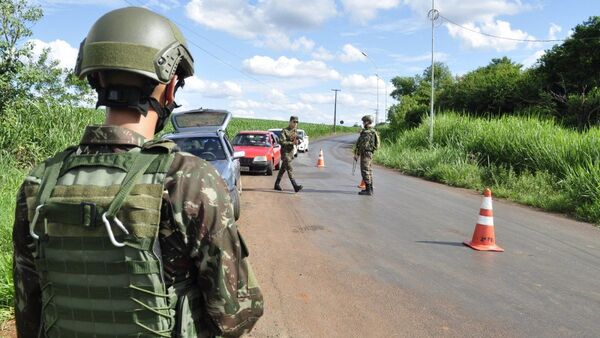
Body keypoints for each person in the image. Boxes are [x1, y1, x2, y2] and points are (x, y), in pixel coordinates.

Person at [12, 7, 263, 338]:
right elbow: (235, 314)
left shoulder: (40, 182)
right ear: (171, 88)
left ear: (95, 79)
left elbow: (28, 310)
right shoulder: (187, 181)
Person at [274, 116, 303, 192]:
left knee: (283, 169)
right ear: (290, 122)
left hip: (290, 153)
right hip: (285, 153)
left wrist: (298, 142)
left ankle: (276, 184)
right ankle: (295, 186)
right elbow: (281, 142)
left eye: (297, 122)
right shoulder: (284, 131)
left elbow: (296, 140)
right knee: (289, 168)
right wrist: (291, 142)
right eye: (294, 122)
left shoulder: (295, 131)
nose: (295, 124)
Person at [354, 115, 380, 196]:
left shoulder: (367, 133)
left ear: (368, 122)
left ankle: (368, 190)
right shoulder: (370, 131)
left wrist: (357, 154)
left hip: (366, 153)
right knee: (368, 170)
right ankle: (369, 189)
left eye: (364, 121)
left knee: (365, 170)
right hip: (368, 153)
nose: (363, 123)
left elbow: (362, 145)